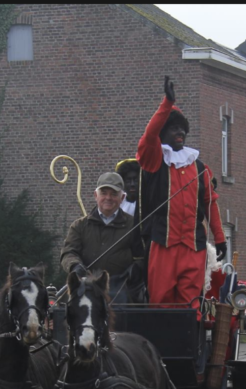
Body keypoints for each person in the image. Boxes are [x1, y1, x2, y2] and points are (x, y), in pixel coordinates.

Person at [136, 76, 226, 306]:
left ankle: (191, 343)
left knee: (192, 305)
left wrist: (220, 238)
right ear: (163, 133)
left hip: (193, 247)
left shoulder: (199, 167)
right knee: (161, 303)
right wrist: (167, 104)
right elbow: (148, 137)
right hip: (163, 245)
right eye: (174, 128)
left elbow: (210, 204)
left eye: (182, 129)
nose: (180, 133)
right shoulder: (156, 160)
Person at [59, 171, 145, 303]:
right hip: (85, 292)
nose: (108, 198)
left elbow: (142, 257)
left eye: (114, 194)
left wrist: (134, 271)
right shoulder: (79, 226)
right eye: (103, 193)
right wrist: (74, 266)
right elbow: (68, 252)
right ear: (95, 195)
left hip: (121, 294)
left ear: (122, 198)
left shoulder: (135, 226)